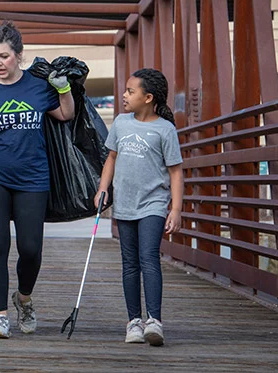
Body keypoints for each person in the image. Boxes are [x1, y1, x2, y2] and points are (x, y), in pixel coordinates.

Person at [0, 21, 75, 338]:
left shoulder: (36, 87)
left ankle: (23, 297)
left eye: (4, 56)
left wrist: (63, 90)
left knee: (31, 248)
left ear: (19, 56)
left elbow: (65, 114)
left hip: (32, 178)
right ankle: (0, 317)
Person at [95, 68, 183, 346]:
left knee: (149, 258)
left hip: (153, 204)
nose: (124, 95)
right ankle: (133, 321)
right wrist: (102, 188)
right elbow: (111, 158)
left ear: (148, 97)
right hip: (125, 203)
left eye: (130, 91)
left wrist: (176, 209)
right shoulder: (120, 123)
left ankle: (154, 321)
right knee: (129, 264)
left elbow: (176, 172)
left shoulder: (165, 130)